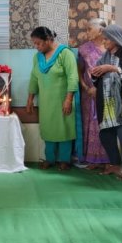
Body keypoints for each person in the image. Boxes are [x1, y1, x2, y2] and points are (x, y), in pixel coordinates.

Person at [26, 26, 79, 171]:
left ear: (49, 40)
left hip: (63, 100)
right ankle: (49, 158)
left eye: (39, 43)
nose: (36, 47)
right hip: (46, 101)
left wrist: (68, 99)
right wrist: (30, 98)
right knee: (48, 128)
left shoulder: (65, 53)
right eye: (34, 44)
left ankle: (64, 160)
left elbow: (73, 77)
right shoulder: (38, 57)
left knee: (64, 129)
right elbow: (34, 77)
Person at [90, 25, 122, 179]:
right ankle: (115, 165)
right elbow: (97, 77)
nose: (104, 41)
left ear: (116, 39)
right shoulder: (105, 56)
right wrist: (95, 73)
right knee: (106, 135)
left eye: (107, 38)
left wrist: (112, 68)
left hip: (121, 102)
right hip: (106, 101)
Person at [76, 18, 110, 169]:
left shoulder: (111, 47)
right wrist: (86, 88)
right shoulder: (83, 49)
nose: (87, 32)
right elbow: (79, 71)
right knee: (91, 124)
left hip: (108, 94)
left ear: (101, 31)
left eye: (90, 29)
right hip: (89, 94)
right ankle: (91, 159)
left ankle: (109, 159)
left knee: (106, 125)